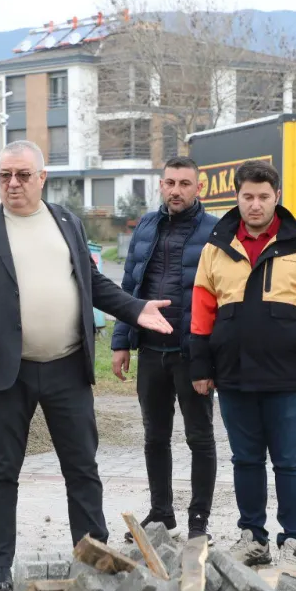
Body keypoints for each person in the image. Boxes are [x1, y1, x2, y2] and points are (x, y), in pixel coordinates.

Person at [0, 140, 174, 591]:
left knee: (82, 467)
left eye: (22, 175)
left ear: (42, 177)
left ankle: (93, 557)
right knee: (1, 469)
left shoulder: (66, 221)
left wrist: (135, 309)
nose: (12, 183)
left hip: (67, 367)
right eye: (4, 175)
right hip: (6, 369)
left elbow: (93, 283)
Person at [190, 160, 296, 578]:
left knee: (289, 460)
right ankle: (252, 538)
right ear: (236, 197)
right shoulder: (215, 248)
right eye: (248, 196)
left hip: (289, 377)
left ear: (277, 196)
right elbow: (202, 314)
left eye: (263, 196)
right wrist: (201, 366)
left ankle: (293, 540)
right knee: (245, 460)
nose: (255, 204)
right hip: (233, 375)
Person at [111, 156, 219, 543]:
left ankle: (199, 521)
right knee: (155, 437)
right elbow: (129, 288)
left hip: (192, 354)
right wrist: (121, 342)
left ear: (199, 188)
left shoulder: (215, 230)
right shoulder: (146, 225)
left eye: (184, 184)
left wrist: (211, 357)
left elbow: (224, 294)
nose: (176, 191)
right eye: (170, 183)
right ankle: (161, 514)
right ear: (161, 185)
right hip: (150, 351)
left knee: (199, 438)